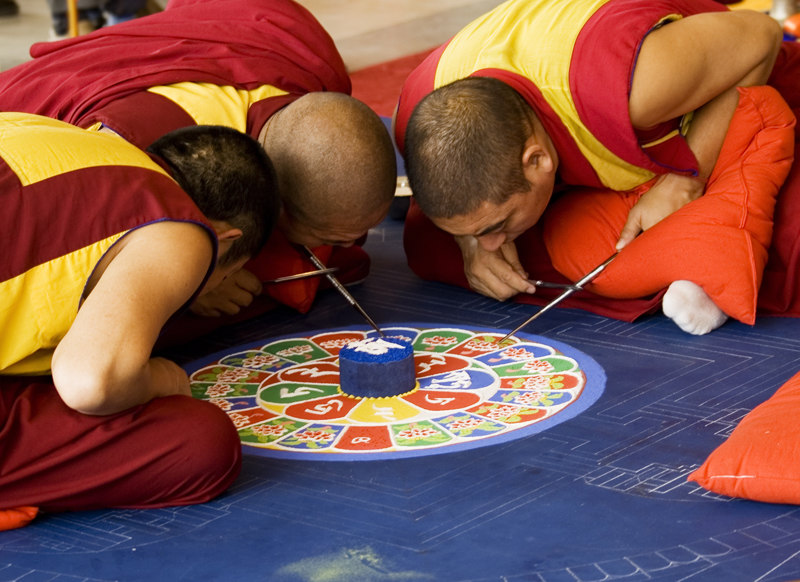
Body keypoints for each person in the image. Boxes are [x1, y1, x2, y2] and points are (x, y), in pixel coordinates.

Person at [394, 0, 800, 334]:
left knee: (789, 238)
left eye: (492, 226)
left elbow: (761, 35)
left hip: (711, 72)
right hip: (590, 120)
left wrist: (684, 177)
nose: (490, 240)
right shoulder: (418, 121)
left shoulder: (639, 88)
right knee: (429, 245)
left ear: (538, 160)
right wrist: (468, 244)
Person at [0, 0, 396, 325]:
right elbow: (71, 253)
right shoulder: (145, 156)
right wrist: (190, 279)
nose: (354, 244)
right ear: (276, 202)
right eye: (329, 236)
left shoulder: (304, 55)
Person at [0, 118, 281, 530]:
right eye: (225, 273)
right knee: (200, 441)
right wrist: (158, 379)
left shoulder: (75, 137)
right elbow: (91, 384)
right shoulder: (181, 229)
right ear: (222, 237)